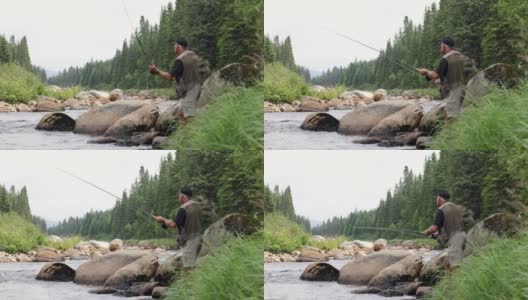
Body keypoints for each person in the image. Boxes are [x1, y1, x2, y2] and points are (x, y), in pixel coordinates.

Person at [148, 37, 204, 126]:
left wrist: (157, 71)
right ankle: (183, 135)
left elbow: (170, 77)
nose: (173, 48)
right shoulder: (193, 56)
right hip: (198, 87)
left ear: (178, 46)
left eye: (174, 46)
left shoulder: (180, 60)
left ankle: (193, 136)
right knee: (181, 113)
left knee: (189, 115)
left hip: (190, 91)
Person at [154, 187, 202, 272]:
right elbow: (182, 220)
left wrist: (162, 219)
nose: (178, 197)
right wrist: (165, 223)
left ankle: (189, 284)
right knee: (196, 263)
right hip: (199, 237)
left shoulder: (183, 208)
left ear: (183, 196)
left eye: (179, 195)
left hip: (189, 240)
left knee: (188, 267)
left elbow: (173, 224)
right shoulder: (197, 205)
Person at [418, 37, 466, 119]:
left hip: (453, 92)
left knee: (452, 117)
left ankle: (452, 131)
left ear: (444, 45)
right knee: (459, 114)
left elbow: (435, 75)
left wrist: (425, 71)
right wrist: (441, 80)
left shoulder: (445, 58)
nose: (440, 46)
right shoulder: (460, 55)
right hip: (464, 90)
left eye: (441, 44)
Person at [422, 189, 467, 271]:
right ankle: (448, 283)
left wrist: (426, 232)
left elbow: (434, 228)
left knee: (456, 266)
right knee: (448, 263)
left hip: (455, 240)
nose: (436, 201)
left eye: (436, 199)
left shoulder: (441, 210)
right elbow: (450, 226)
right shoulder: (455, 207)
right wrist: (435, 235)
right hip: (463, 236)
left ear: (439, 199)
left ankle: (459, 282)